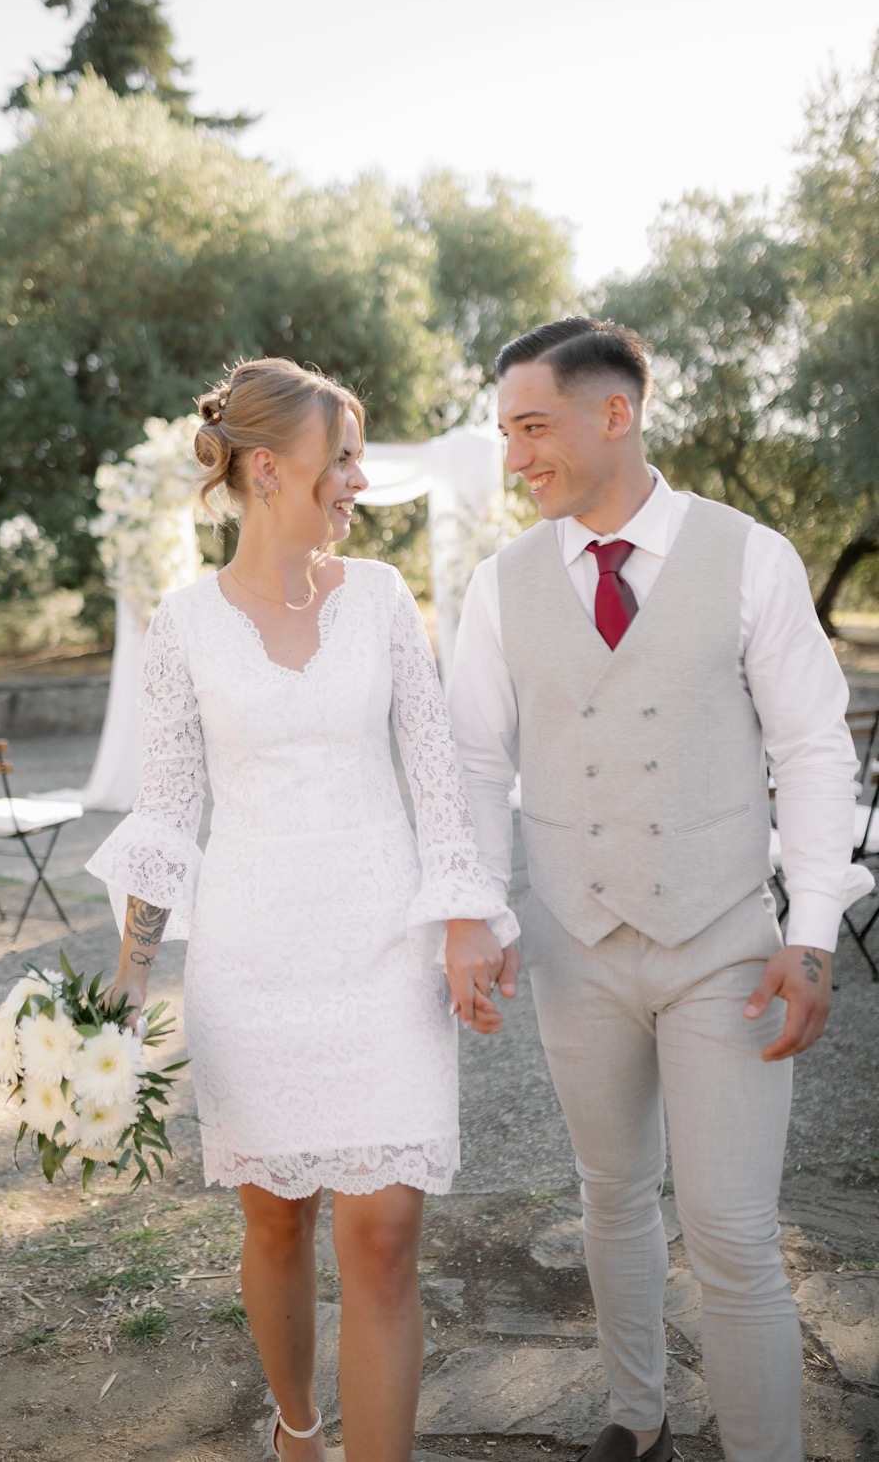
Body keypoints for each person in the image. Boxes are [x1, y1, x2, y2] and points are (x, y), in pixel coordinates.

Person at [446, 318, 873, 1462]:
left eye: (531, 427)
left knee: (731, 1232)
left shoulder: (751, 556)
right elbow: (474, 763)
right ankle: (637, 1420)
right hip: (572, 946)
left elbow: (813, 750)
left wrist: (812, 934)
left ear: (614, 414)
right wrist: (479, 913)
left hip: (726, 948)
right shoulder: (498, 587)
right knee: (610, 1194)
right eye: (505, 433)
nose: (514, 458)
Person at [87, 357, 517, 1462]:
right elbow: (168, 808)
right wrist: (129, 978)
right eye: (344, 459)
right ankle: (297, 1430)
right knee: (276, 1222)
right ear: (270, 468)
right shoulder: (184, 624)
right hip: (251, 962)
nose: (359, 481)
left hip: (383, 954)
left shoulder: (381, 598)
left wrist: (464, 919)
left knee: (383, 1241)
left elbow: (437, 776)